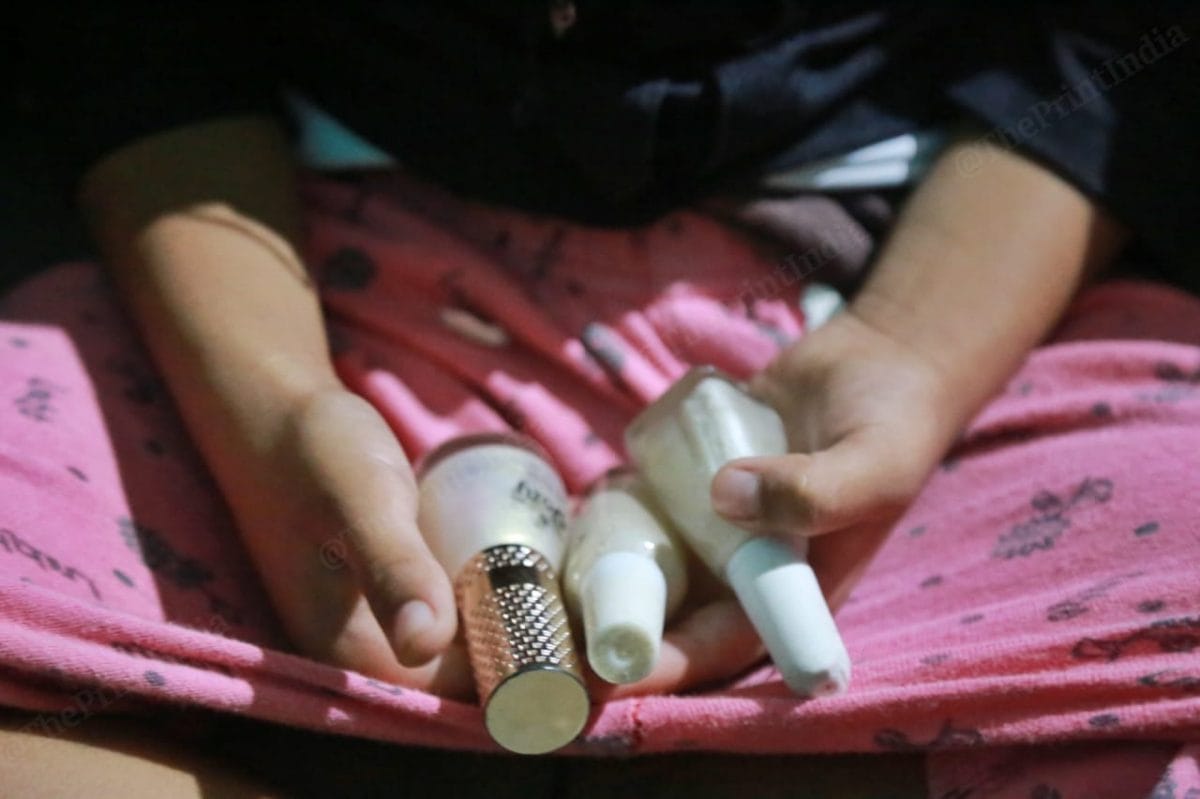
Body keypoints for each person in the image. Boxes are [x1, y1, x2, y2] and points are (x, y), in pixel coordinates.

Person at [3, 3, 1198, 795]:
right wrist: (267, 410)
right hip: (279, 265)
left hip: (927, 280)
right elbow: (125, 37)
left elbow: (1122, 39)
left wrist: (918, 351)